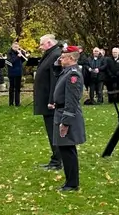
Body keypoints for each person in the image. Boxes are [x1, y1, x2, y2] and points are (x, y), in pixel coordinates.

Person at [49, 45, 87, 191]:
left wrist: (65, 122)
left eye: (63, 57)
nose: (60, 59)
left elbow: (72, 101)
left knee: (67, 150)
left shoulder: (73, 75)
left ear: (71, 58)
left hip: (66, 114)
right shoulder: (66, 71)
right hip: (60, 111)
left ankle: (72, 183)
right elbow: (55, 72)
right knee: (65, 148)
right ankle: (70, 180)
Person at [30, 34, 64, 170]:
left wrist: (52, 100)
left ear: (49, 43)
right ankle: (56, 158)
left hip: (50, 102)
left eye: (41, 44)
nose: (40, 47)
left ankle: (57, 160)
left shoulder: (55, 55)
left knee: (54, 131)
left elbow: (55, 80)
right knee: (51, 131)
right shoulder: (51, 54)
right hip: (45, 99)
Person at [6, 42, 27, 106]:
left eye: (17, 47)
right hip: (12, 72)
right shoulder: (9, 53)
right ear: (12, 47)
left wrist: (23, 54)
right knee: (12, 88)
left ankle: (17, 103)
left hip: (19, 72)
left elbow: (23, 60)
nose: (16, 48)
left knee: (18, 88)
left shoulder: (19, 52)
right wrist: (17, 57)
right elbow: (9, 62)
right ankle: (11, 103)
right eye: (15, 47)